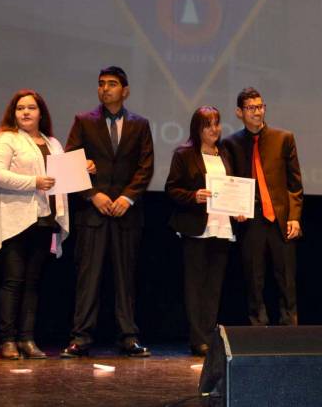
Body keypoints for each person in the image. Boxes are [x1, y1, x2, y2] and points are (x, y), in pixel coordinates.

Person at [60, 66, 154, 358]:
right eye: (101, 84)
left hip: (126, 214)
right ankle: (81, 338)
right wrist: (92, 195)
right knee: (89, 277)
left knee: (125, 278)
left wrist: (127, 197)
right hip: (93, 213)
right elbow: (69, 163)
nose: (105, 89)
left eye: (112, 84)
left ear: (125, 90)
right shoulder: (84, 121)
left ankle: (128, 336)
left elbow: (145, 166)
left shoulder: (140, 124)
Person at [0, 89, 70, 359]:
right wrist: (33, 182)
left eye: (31, 108)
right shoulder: (5, 139)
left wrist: (82, 170)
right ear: (13, 112)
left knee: (32, 283)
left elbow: (62, 178)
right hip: (15, 219)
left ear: (40, 112)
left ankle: (27, 339)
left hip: (44, 219)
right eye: (20, 108)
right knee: (13, 281)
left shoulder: (53, 143)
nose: (25, 112)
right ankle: (8, 340)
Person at [165, 106, 244, 357]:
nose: (214, 129)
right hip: (197, 228)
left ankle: (210, 336)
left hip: (222, 228)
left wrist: (238, 210)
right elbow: (172, 188)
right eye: (208, 125)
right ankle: (198, 338)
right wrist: (193, 196)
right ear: (197, 128)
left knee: (214, 287)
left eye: (217, 124)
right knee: (195, 286)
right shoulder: (184, 154)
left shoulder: (225, 154)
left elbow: (233, 188)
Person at [223, 87, 303, 326]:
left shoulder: (284, 138)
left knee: (286, 278)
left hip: (280, 219)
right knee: (253, 278)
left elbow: (295, 183)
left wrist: (295, 217)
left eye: (260, 106)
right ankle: (258, 328)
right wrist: (233, 207)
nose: (257, 112)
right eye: (251, 108)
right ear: (239, 112)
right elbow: (230, 181)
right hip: (250, 219)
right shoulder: (230, 143)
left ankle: (290, 327)